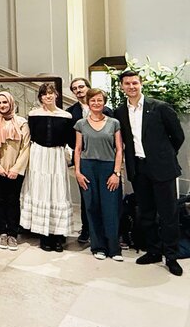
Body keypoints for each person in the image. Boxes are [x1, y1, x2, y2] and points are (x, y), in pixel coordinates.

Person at [114, 69, 185, 276]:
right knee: (146, 213)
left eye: (134, 83)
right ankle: (153, 251)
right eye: (127, 84)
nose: (131, 87)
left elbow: (177, 136)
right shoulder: (120, 112)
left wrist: (163, 155)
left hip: (162, 168)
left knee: (168, 213)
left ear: (141, 84)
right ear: (122, 87)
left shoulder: (160, 107)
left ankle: (171, 256)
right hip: (139, 168)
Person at [20, 83, 73, 252]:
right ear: (40, 97)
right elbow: (31, 135)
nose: (48, 96)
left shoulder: (66, 116)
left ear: (56, 95)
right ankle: (44, 235)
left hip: (56, 155)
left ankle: (58, 236)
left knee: (58, 192)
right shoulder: (34, 114)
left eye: (51, 93)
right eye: (44, 94)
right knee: (40, 190)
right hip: (39, 154)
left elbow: (68, 138)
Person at [74, 88, 124, 262]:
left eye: (99, 100)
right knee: (92, 207)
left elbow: (119, 149)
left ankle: (114, 248)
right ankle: (98, 247)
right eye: (93, 100)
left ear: (104, 102)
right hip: (88, 167)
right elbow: (78, 149)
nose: (96, 103)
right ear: (88, 103)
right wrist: (78, 172)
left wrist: (116, 173)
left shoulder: (114, 123)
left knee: (111, 208)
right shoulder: (81, 124)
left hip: (109, 168)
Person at [0, 91, 30, 251]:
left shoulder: (21, 122)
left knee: (14, 201)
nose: (2, 105)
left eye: (5, 102)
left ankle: (13, 234)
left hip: (15, 169)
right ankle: (2, 232)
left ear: (11, 103)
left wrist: (16, 168)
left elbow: (26, 147)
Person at [67, 77, 112, 244]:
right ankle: (87, 229)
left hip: (105, 158)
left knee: (106, 197)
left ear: (88, 87)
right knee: (87, 196)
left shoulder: (106, 111)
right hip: (84, 158)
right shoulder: (71, 112)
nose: (78, 90)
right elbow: (70, 137)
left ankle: (108, 231)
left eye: (81, 87)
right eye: (75, 88)